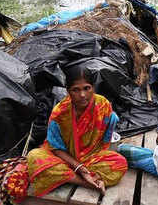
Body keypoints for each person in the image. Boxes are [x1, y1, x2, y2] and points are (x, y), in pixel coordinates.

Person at [27, 66, 128, 197]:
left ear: (93, 87)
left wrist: (86, 163)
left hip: (90, 157)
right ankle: (86, 182)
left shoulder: (102, 105)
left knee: (120, 163)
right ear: (68, 90)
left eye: (87, 88)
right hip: (64, 158)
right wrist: (81, 169)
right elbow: (55, 148)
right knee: (34, 157)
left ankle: (65, 177)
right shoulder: (60, 113)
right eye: (76, 90)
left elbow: (105, 137)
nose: (82, 95)